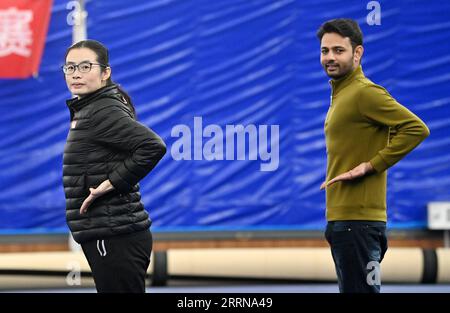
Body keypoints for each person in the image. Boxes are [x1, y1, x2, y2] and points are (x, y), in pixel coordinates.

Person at [317, 19, 430, 293]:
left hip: (359, 225)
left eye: (338, 50)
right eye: (324, 50)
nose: (330, 57)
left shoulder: (365, 93)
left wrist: (371, 165)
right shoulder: (342, 95)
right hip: (344, 221)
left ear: (357, 53)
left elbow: (416, 128)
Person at [62, 39, 166, 293]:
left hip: (114, 235)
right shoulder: (89, 108)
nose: (76, 74)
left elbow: (153, 146)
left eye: (85, 66)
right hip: (108, 231)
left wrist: (110, 184)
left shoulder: (102, 110)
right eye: (70, 67)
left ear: (105, 72)